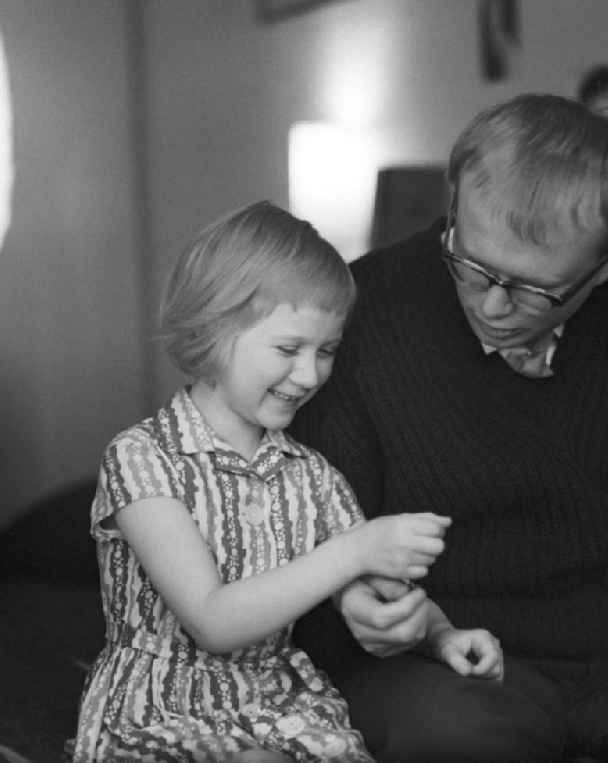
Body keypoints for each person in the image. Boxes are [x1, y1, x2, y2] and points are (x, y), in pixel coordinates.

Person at [290, 94, 608, 762]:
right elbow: (310, 528)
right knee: (442, 732)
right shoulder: (366, 308)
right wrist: (350, 599)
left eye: (534, 289)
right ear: (455, 199)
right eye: (470, 264)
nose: (493, 305)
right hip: (463, 660)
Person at [71, 201, 502, 762]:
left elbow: (377, 586)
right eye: (288, 348)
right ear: (211, 329)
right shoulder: (141, 458)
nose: (310, 375)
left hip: (280, 708)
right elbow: (214, 621)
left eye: (327, 351)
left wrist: (441, 635)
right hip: (163, 711)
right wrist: (350, 552)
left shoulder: (312, 474)